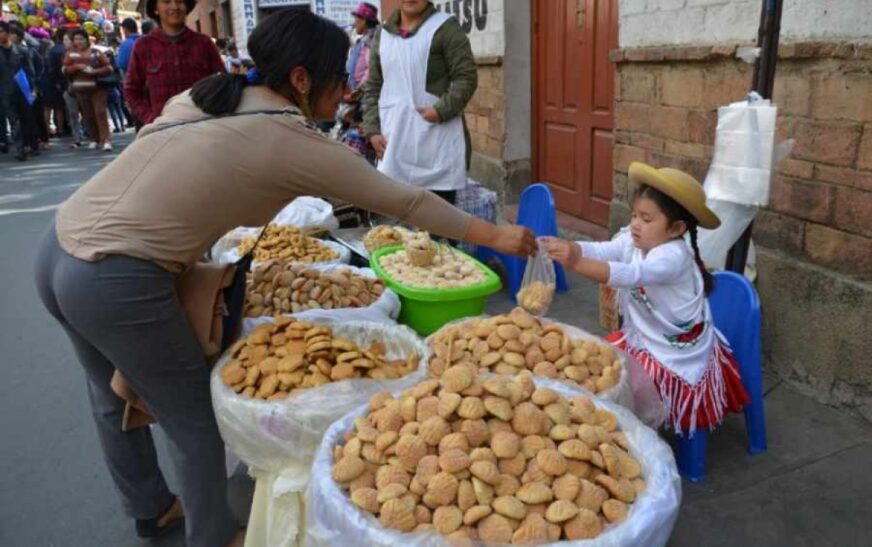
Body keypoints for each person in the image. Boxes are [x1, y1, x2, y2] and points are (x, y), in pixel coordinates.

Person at [34, 8, 534, 547]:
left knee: (110, 396)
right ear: (300, 78)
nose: (345, 93)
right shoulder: (289, 138)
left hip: (58, 245)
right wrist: (498, 236)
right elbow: (407, 201)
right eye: (340, 79)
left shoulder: (205, 95)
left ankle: (150, 508)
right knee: (193, 418)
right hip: (117, 279)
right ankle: (213, 535)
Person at [542, 162, 750, 436]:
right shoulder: (636, 239)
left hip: (672, 351)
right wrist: (573, 247)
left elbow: (630, 274)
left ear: (676, 228)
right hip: (643, 337)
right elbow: (608, 249)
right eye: (635, 216)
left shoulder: (672, 257)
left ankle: (635, 430)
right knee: (601, 367)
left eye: (647, 219)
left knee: (623, 384)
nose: (635, 225)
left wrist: (576, 262)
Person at [363, 0, 477, 206]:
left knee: (440, 227)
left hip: (437, 144)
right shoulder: (383, 34)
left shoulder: (445, 27)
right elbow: (373, 86)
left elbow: (466, 77)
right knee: (398, 229)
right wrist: (372, 130)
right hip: (394, 142)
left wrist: (441, 110)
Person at [124, 0, 225, 125]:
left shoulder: (204, 44)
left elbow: (223, 83)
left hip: (202, 127)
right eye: (167, 1)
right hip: (163, 130)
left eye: (180, 1)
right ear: (155, 9)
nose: (175, 6)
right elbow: (131, 89)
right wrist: (150, 118)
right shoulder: (143, 46)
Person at [338, 2, 379, 164]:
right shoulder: (361, 41)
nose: (354, 22)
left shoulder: (372, 42)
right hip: (356, 97)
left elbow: (372, 73)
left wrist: (357, 93)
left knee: (362, 141)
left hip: (365, 101)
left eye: (357, 18)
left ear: (364, 20)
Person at [63, 29, 113, 151]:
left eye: (81, 39)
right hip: (80, 89)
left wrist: (94, 71)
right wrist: (76, 67)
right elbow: (64, 69)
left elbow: (109, 68)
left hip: (98, 88)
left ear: (87, 39)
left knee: (100, 112)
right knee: (87, 114)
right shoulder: (70, 54)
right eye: (76, 39)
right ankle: (94, 139)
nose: (79, 42)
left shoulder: (96, 52)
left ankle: (105, 140)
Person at [0, 21, 34, 161]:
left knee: (27, 119)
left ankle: (32, 144)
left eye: (1, 31)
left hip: (23, 89)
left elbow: (30, 72)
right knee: (14, 121)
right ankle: (20, 150)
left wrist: (34, 89)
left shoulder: (22, 50)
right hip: (5, 92)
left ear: (7, 33)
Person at [44, 29, 68, 138]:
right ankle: (61, 129)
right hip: (62, 81)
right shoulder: (65, 50)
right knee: (59, 107)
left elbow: (50, 68)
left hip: (49, 82)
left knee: (48, 107)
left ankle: (47, 130)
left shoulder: (51, 51)